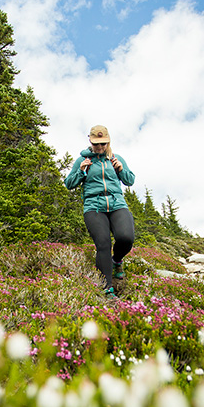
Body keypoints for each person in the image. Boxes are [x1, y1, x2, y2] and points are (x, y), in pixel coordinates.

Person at [65, 125, 135, 299]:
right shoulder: (83, 160)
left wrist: (121, 169)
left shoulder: (115, 158)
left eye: (103, 143)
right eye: (97, 144)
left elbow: (130, 180)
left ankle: (116, 261)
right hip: (93, 206)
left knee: (126, 238)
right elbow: (69, 183)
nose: (100, 147)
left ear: (108, 141)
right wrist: (81, 171)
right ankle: (107, 288)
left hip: (117, 203)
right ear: (90, 140)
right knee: (103, 244)